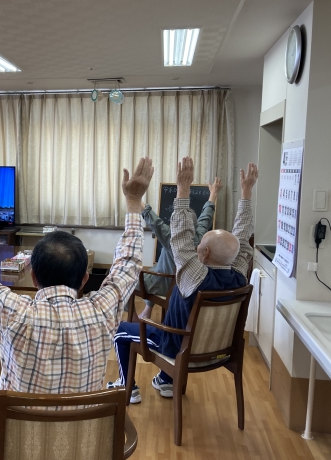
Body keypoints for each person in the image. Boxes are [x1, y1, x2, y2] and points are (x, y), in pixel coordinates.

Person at [0, 153, 152, 451]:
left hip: (17, 448)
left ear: (34, 276)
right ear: (84, 279)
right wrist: (134, 202)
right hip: (83, 447)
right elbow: (129, 262)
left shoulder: (13, 311)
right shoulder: (103, 310)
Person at [110, 158, 257, 402]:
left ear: (205, 253)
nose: (195, 246)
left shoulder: (194, 276)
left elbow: (179, 236)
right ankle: (166, 380)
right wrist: (246, 194)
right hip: (217, 351)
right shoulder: (240, 275)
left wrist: (182, 189)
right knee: (178, 326)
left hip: (177, 348)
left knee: (120, 331)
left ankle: (127, 387)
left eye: (199, 245)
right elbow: (242, 236)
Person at [138, 177, 223, 320]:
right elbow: (206, 217)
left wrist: (134, 196)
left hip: (166, 283)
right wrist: (213, 193)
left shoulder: (170, 237)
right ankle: (147, 310)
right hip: (188, 284)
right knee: (156, 268)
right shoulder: (200, 236)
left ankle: (135, 316)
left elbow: (151, 217)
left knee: (128, 281)